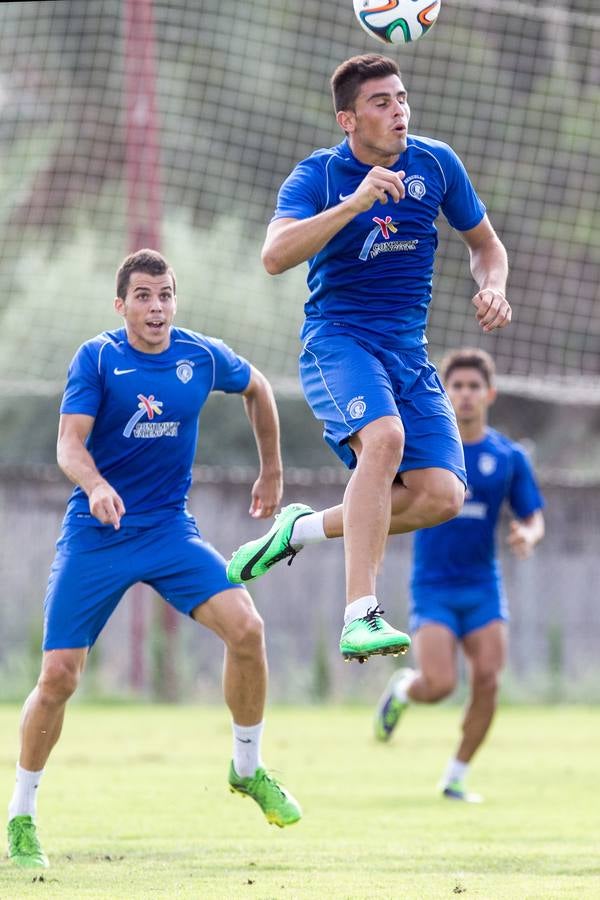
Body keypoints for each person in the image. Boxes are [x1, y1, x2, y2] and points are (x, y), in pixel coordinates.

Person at [6, 249, 301, 870]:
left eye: (165, 294)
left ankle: (247, 768)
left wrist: (272, 469)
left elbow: (258, 387)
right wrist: (95, 485)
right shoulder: (98, 359)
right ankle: (22, 817)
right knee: (59, 676)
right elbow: (69, 443)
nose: (156, 307)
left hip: (169, 530)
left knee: (247, 629)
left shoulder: (199, 355)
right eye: (143, 296)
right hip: (98, 532)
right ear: (121, 306)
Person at [227, 54, 511, 663]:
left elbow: (486, 245)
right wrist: (353, 205)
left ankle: (298, 530)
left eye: (402, 98)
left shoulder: (436, 163)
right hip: (339, 342)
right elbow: (274, 256)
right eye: (382, 103)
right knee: (384, 440)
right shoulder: (320, 176)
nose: (399, 111)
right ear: (348, 119)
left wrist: (493, 286)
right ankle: (361, 615)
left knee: (441, 496)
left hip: (408, 353)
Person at [373, 348, 545, 802]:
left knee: (489, 679)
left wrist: (528, 535)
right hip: (433, 587)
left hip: (483, 587)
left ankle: (455, 777)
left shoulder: (508, 457)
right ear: (444, 394)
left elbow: (532, 515)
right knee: (441, 683)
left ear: (489, 394)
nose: (465, 395)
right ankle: (405, 690)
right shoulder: (425, 451)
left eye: (474, 387)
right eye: (457, 387)